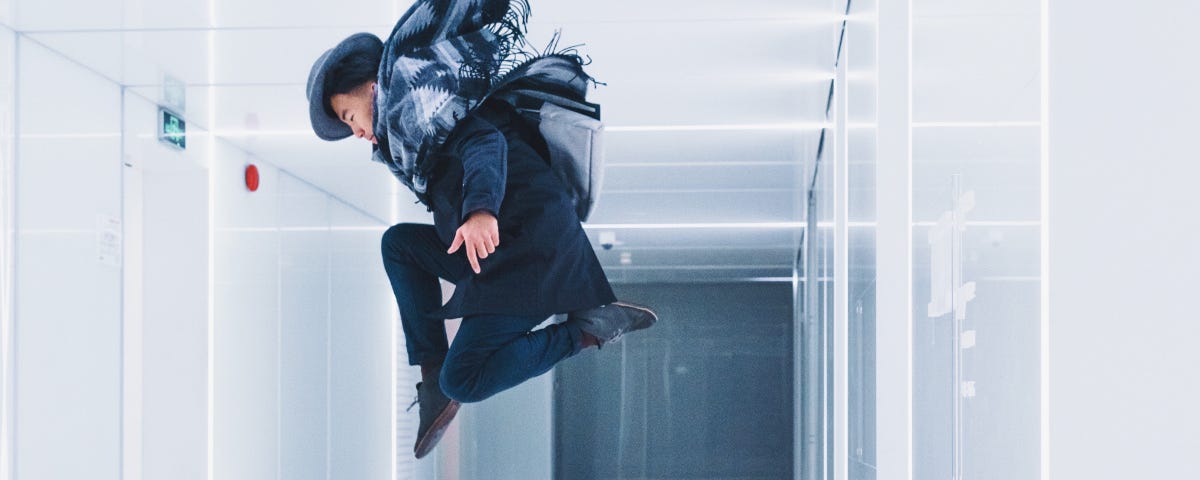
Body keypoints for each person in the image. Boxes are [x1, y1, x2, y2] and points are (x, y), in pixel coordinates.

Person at [305, 0, 657, 460]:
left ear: (372, 88)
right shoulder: (414, 125)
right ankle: (432, 375)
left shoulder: (420, 104)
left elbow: (484, 141)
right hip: (496, 252)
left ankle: (589, 330)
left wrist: (481, 212)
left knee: (465, 380)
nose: (355, 132)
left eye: (349, 116)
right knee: (399, 245)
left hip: (530, 258)